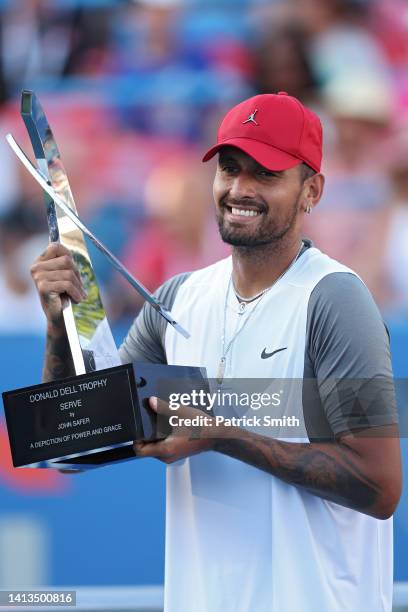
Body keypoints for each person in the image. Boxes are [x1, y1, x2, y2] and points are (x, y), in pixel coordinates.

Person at [30, 92, 401, 612]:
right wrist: (59, 327)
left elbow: (379, 486)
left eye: (266, 174)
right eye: (229, 169)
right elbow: (68, 445)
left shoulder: (336, 299)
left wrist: (221, 436)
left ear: (311, 190)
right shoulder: (179, 296)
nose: (239, 189)